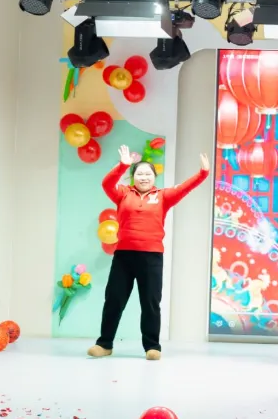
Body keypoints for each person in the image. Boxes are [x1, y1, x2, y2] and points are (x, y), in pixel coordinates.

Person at [89, 145, 210, 360]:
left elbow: (186, 188)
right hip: (124, 256)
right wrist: (123, 165)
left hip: (151, 257)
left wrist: (203, 173)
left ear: (154, 177)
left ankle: (152, 347)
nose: (143, 177)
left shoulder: (163, 196)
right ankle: (104, 344)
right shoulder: (123, 194)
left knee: (150, 303)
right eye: (139, 174)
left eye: (147, 174)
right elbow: (106, 183)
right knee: (114, 300)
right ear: (133, 177)